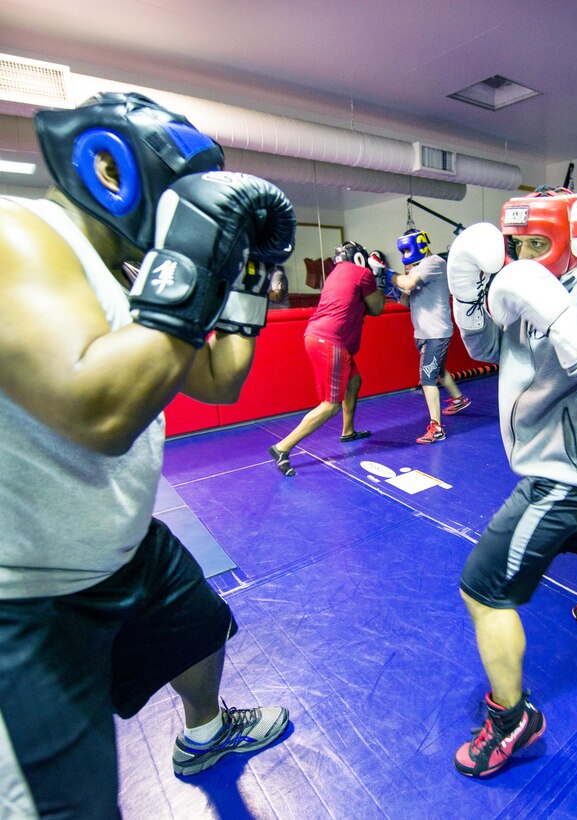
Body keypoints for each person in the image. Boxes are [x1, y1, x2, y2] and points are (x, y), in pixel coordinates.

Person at [0, 91, 297, 817]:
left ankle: (203, 733)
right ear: (112, 171)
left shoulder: (131, 281)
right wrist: (195, 253)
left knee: (198, 625)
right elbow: (99, 411)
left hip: (126, 548)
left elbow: (220, 380)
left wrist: (249, 282)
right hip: (27, 595)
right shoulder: (19, 232)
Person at [446, 187, 577, 778]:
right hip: (572, 460)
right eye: (517, 244)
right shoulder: (520, 274)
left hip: (566, 471)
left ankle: (513, 719)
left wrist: (557, 310)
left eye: (539, 243)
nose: (525, 256)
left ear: (573, 238)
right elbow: (486, 345)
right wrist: (472, 295)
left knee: (482, 588)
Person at [268, 241, 385, 476]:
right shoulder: (362, 273)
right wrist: (378, 277)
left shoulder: (335, 273)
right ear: (359, 258)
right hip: (331, 342)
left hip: (316, 336)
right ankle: (282, 448)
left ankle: (348, 431)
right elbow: (377, 308)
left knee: (354, 381)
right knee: (330, 405)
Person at [383, 230, 470, 444]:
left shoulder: (434, 262)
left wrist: (387, 273)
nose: (405, 254)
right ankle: (459, 399)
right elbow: (404, 300)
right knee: (437, 369)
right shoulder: (417, 269)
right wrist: (392, 282)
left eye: (406, 249)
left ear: (417, 245)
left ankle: (436, 428)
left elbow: (407, 283)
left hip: (435, 333)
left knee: (427, 377)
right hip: (423, 332)